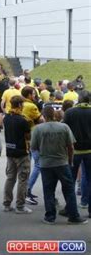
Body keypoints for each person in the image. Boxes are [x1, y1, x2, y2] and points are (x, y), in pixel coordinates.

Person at [31, 106, 88, 225]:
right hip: (62, 163)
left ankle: (50, 217)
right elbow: (71, 147)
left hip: (46, 164)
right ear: (55, 115)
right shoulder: (64, 127)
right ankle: (73, 216)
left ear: (43, 116)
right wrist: (70, 161)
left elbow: (34, 147)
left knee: (48, 190)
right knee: (68, 189)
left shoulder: (38, 129)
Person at [3, 96, 33, 214]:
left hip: (10, 151)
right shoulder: (23, 120)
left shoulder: (6, 118)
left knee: (10, 178)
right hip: (21, 153)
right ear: (20, 105)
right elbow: (28, 137)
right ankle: (20, 206)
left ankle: (6, 203)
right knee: (23, 179)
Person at [64, 90, 91, 219]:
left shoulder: (70, 112)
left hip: (73, 152)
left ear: (79, 99)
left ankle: (70, 209)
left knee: (70, 181)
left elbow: (64, 130)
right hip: (90, 151)